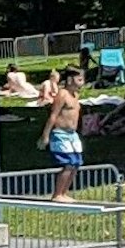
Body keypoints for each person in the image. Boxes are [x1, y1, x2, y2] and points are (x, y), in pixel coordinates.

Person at [39, 66, 86, 202]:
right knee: (68, 164)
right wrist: (46, 135)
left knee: (76, 163)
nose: (82, 83)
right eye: (79, 79)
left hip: (72, 134)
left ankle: (64, 193)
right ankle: (57, 194)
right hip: (61, 133)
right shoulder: (62, 94)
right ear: (70, 80)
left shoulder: (75, 96)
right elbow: (53, 115)